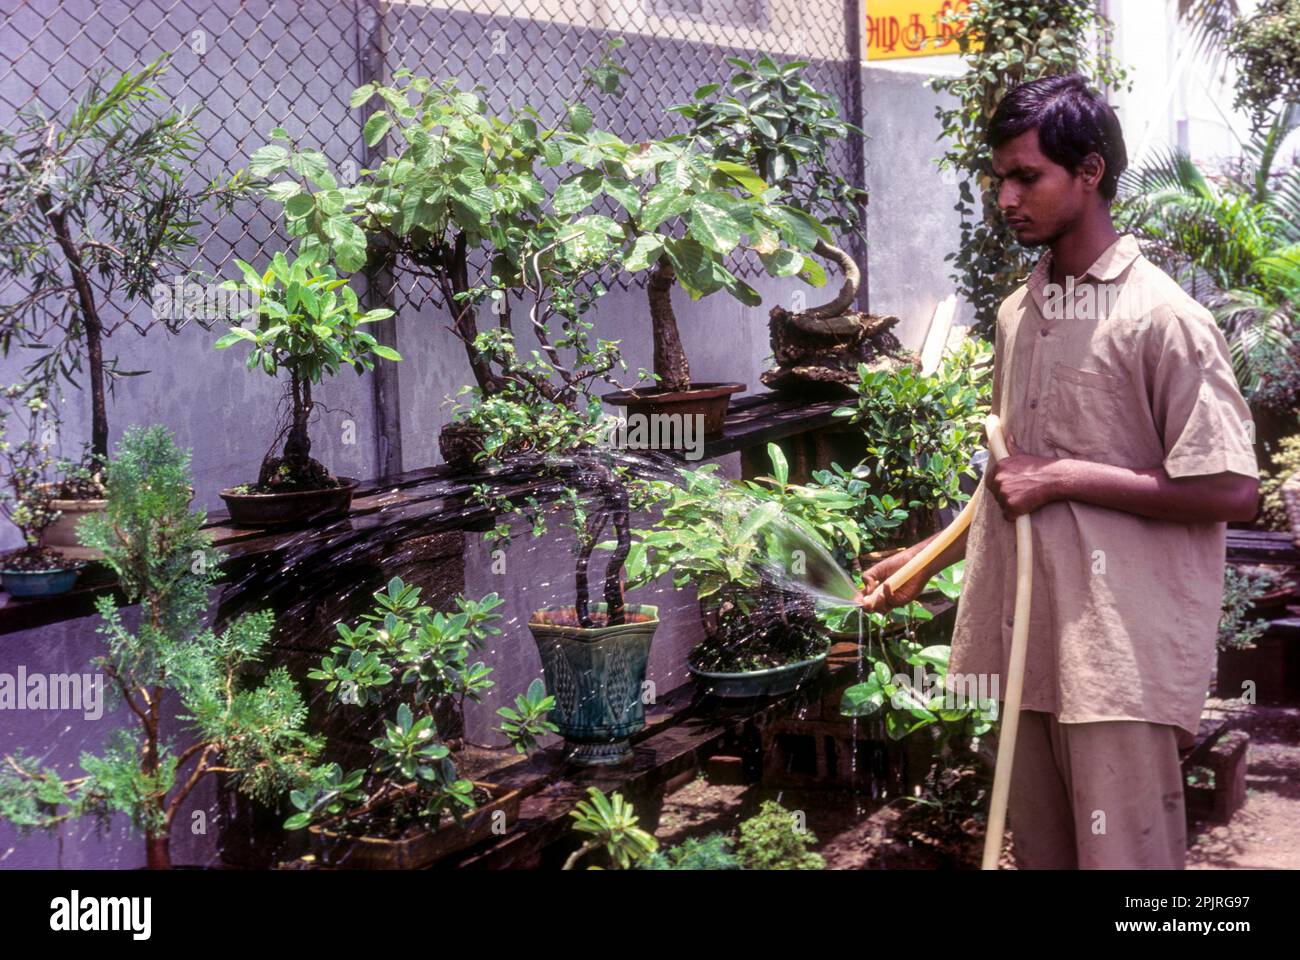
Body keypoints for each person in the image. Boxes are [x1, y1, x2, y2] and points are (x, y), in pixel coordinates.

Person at [858, 74, 1259, 869]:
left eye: (1027, 176)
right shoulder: (1020, 312)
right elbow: (1012, 476)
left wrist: (1067, 476)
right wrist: (928, 557)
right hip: (1027, 650)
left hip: (1117, 662)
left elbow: (1232, 490)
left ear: (1089, 173)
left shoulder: (1165, 319)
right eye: (997, 178)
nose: (1006, 197)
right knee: (1042, 854)